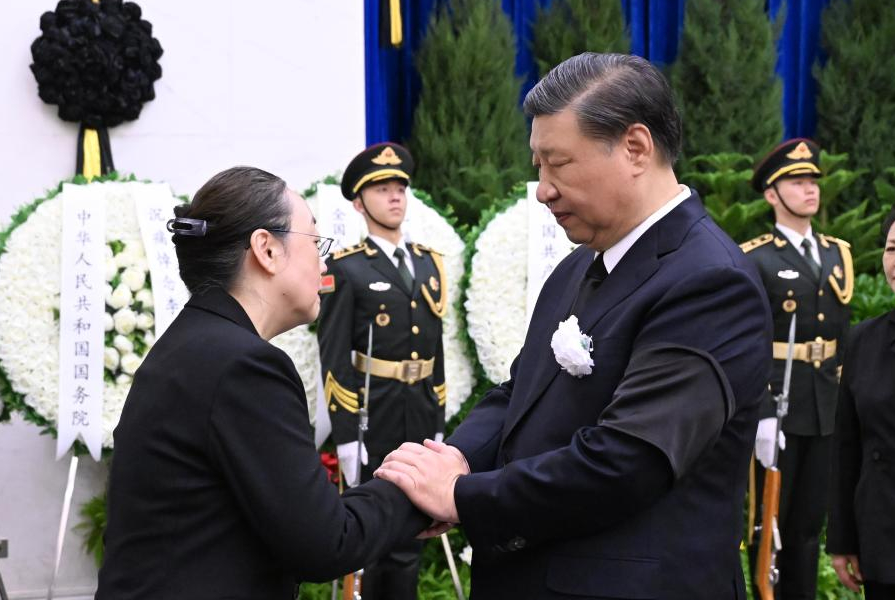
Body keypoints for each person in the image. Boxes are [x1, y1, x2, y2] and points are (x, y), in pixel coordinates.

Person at [376, 52, 772, 599]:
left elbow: (627, 461)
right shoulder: (579, 264)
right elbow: (521, 392)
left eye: (557, 164)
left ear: (635, 148)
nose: (542, 189)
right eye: (538, 166)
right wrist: (459, 457)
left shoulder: (708, 282)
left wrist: (464, 497)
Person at [95, 166, 427, 599]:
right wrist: (415, 490)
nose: (323, 261)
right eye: (315, 241)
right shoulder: (243, 366)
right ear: (266, 250)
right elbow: (326, 543)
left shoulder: (193, 343)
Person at [317, 142, 446, 600]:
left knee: (415, 526)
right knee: (376, 531)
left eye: (399, 188)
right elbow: (333, 356)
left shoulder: (429, 264)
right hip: (376, 410)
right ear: (358, 202)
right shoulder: (346, 268)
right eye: (381, 189)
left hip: (419, 409)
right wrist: (347, 436)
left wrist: (439, 422)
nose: (395, 197)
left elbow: (436, 349)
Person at [741, 138, 852, 599]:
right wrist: (763, 411)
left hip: (825, 404)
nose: (810, 190)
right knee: (769, 522)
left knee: (808, 526)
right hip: (779, 408)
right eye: (797, 182)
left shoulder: (836, 253)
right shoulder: (755, 258)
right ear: (772, 194)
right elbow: (747, 345)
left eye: (812, 181)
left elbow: (841, 338)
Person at [826, 207, 895, 599]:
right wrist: (841, 538)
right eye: (892, 248)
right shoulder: (864, 341)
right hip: (883, 538)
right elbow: (847, 447)